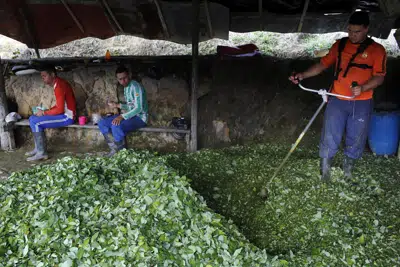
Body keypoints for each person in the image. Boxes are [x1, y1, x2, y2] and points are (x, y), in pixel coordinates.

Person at [289, 11, 387, 181]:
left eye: (357, 32)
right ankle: (325, 171)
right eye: (349, 31)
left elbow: (379, 77)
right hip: (336, 98)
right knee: (330, 134)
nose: (352, 35)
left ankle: (347, 170)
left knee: (356, 136)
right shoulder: (340, 45)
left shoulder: (377, 50)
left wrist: (363, 88)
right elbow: (322, 64)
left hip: (361, 102)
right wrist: (302, 75)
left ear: (366, 29)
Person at [26, 65, 77, 161]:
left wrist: (44, 113)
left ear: (52, 74)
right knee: (32, 118)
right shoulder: (58, 84)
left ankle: (41, 153)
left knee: (35, 122)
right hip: (64, 114)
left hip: (67, 116)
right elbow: (58, 106)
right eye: (42, 76)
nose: (43, 78)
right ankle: (38, 148)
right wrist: (44, 111)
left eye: (44, 76)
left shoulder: (59, 86)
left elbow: (60, 110)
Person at [98, 65, 148, 156]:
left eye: (124, 78)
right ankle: (114, 149)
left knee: (116, 125)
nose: (123, 81)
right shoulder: (126, 88)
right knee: (102, 122)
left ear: (129, 75)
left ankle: (122, 155)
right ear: (117, 79)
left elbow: (138, 108)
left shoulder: (136, 86)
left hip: (140, 118)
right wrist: (117, 105)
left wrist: (122, 116)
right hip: (131, 116)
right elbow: (130, 106)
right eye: (120, 79)